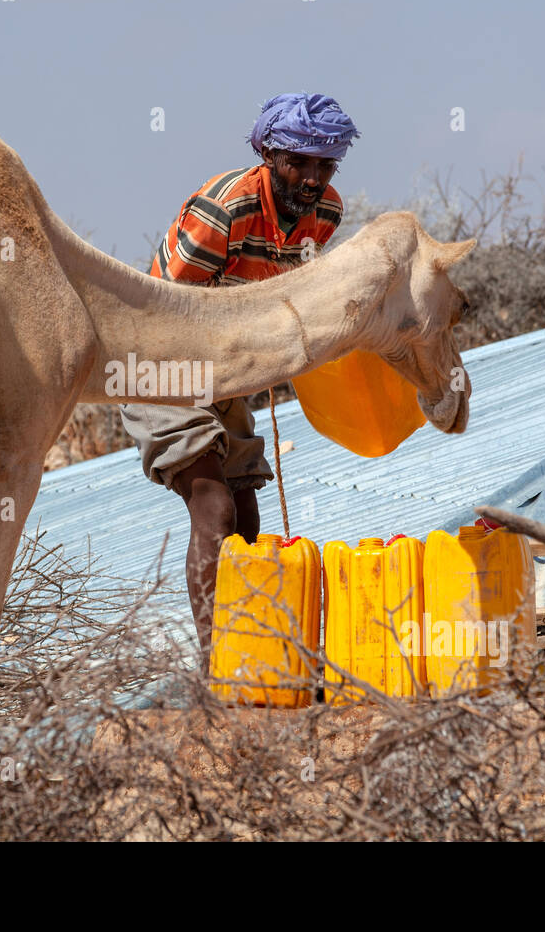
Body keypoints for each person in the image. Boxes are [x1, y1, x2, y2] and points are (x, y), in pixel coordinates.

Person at [120, 92, 360, 666]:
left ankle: (258, 655)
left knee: (249, 519)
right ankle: (217, 669)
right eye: (297, 163)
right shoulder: (225, 208)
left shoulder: (326, 211)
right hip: (160, 363)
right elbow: (165, 308)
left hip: (225, 369)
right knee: (215, 509)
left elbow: (290, 289)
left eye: (324, 165)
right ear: (269, 155)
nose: (311, 177)